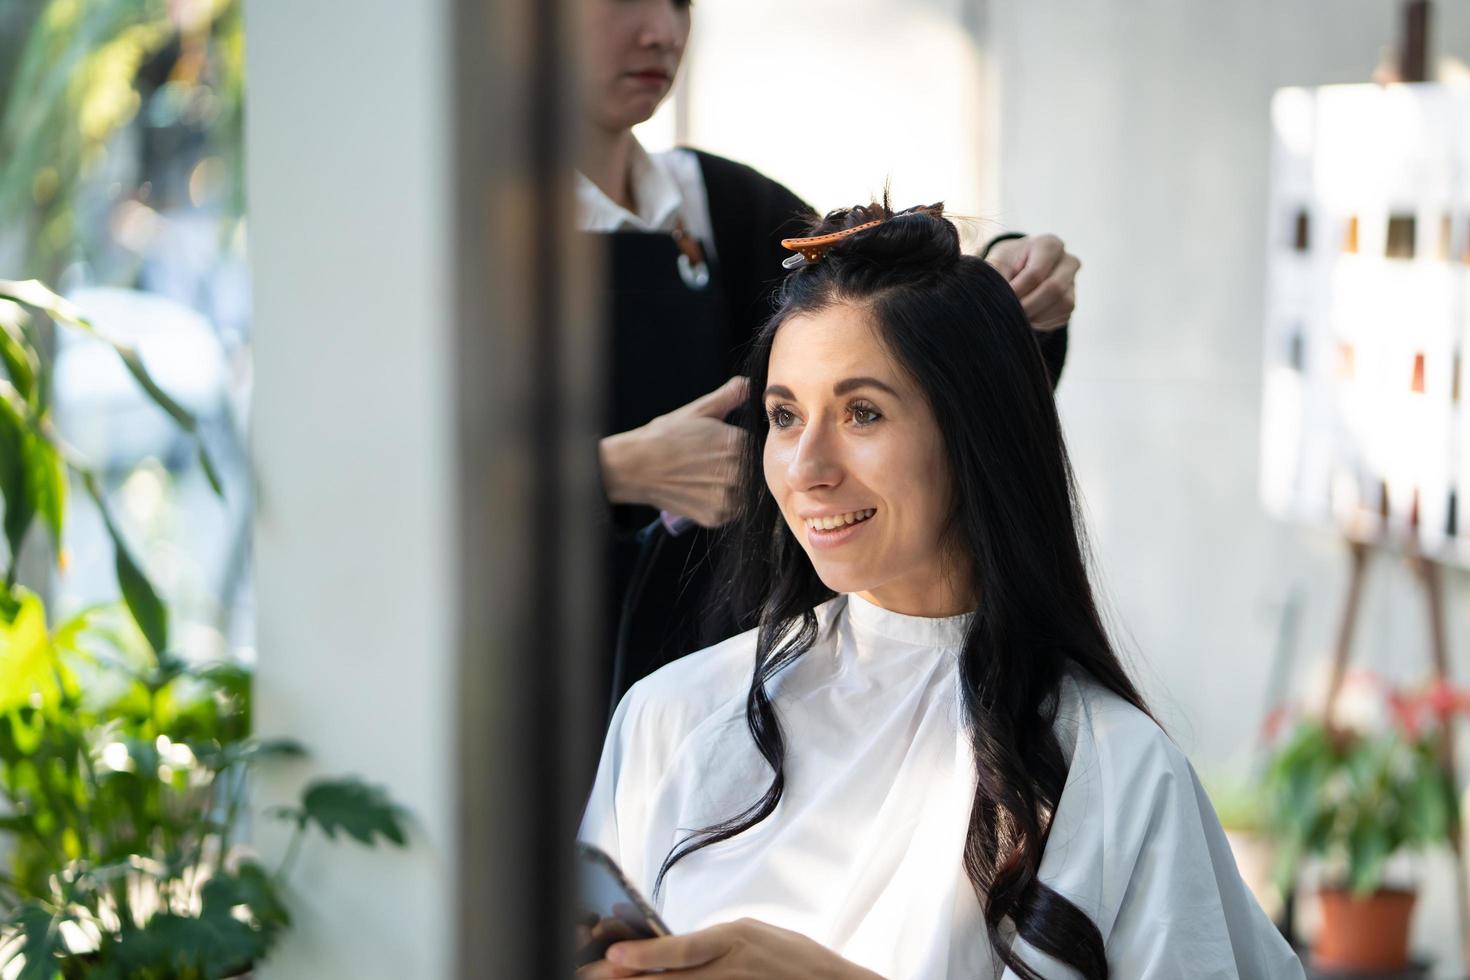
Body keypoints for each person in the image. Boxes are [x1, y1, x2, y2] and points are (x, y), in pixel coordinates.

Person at [578, 202, 1305, 979]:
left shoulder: (1115, 772)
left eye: (862, 413)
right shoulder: (672, 717)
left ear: (974, 433)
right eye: (785, 416)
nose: (806, 468)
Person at [577, 0, 1083, 713]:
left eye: (680, 2)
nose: (662, 31)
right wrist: (610, 472)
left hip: (752, 672)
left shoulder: (719, 204)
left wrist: (1005, 287)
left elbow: (887, 312)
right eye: (621, 2)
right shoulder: (443, 225)